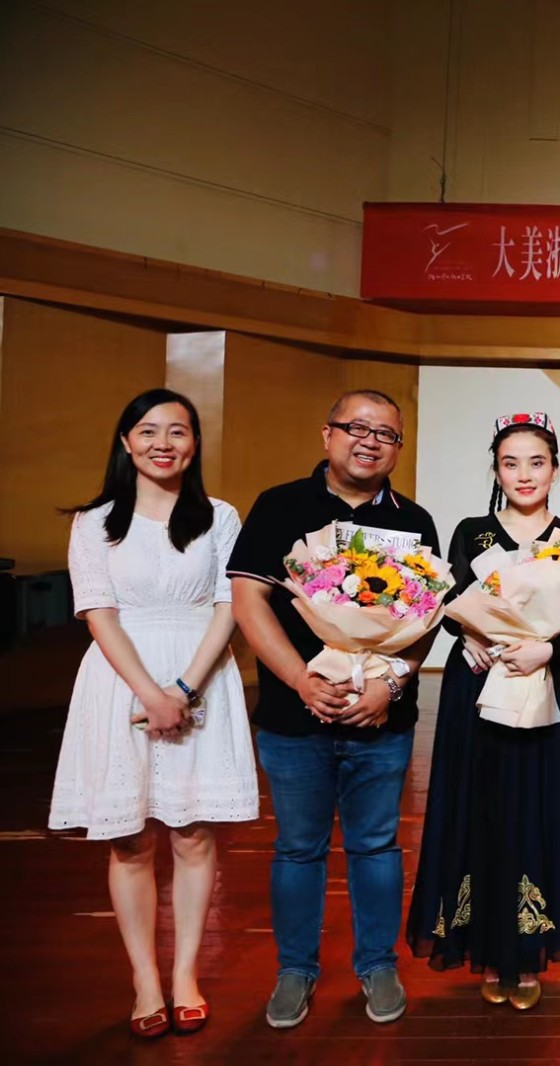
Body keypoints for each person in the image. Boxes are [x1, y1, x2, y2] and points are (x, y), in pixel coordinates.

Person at [228, 389, 441, 1029]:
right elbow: (248, 602)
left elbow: (425, 620)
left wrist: (389, 687)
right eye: (356, 427)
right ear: (328, 435)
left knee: (377, 846)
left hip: (381, 719)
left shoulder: (414, 521)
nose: (370, 441)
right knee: (299, 849)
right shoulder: (279, 505)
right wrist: (300, 679)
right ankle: (295, 969)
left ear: (398, 448)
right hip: (295, 716)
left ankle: (377, 964)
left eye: (386, 434)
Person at [50, 388, 258, 1039]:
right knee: (130, 839)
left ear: (194, 442)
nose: (162, 443)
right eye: (148, 430)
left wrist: (185, 689)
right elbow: (97, 613)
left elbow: (230, 605)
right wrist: (151, 693)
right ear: (126, 441)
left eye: (177, 431)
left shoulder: (219, 517)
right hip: (120, 681)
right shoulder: (93, 522)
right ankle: (145, 979)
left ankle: (185, 975)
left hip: (201, 675)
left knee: (193, 833)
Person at [405, 412, 560, 1010]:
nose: (524, 474)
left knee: (534, 807)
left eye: (537, 462)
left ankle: (527, 952)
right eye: (511, 463)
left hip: (541, 679)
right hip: (477, 681)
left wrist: (548, 648)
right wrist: (469, 635)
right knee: (479, 806)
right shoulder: (472, 532)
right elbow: (450, 600)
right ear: (496, 471)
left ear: (555, 470)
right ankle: (485, 949)